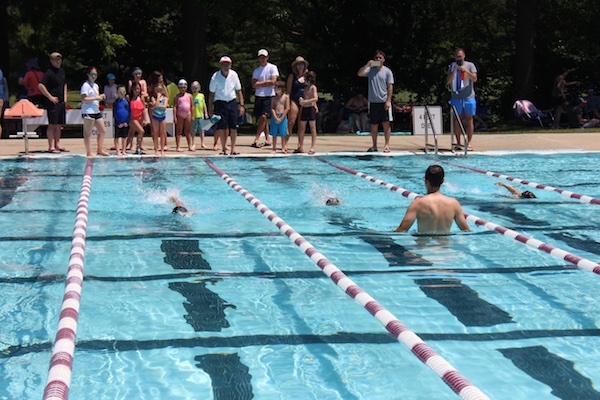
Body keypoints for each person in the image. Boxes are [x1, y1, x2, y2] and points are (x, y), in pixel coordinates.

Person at [394, 165, 470, 234]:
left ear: (425, 180)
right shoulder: (454, 203)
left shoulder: (418, 204)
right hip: (445, 248)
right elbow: (466, 230)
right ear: (443, 181)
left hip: (423, 248)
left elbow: (401, 230)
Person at [358, 50, 395, 153]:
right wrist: (367, 65)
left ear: (383, 60)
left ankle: (387, 145)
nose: (378, 60)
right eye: (376, 58)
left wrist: (388, 100)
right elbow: (360, 74)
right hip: (373, 102)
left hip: (384, 101)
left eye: (380, 58)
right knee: (373, 124)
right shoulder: (370, 70)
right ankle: (374, 145)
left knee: (386, 123)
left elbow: (390, 86)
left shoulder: (387, 71)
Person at [208, 55, 244, 156]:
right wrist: (210, 108)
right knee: (222, 127)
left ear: (230, 65)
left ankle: (233, 149)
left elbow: (239, 91)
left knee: (233, 127)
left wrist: (241, 105)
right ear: (220, 65)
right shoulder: (215, 76)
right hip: (220, 103)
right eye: (223, 64)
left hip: (232, 102)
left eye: (227, 64)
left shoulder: (234, 75)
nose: (225, 66)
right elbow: (211, 93)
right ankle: (224, 148)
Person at [447, 47, 478, 151]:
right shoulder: (452, 66)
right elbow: (448, 81)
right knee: (456, 119)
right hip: (456, 96)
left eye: (460, 56)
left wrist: (467, 72)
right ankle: (458, 142)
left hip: (468, 96)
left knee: (469, 119)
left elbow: (474, 78)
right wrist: (454, 70)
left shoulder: (470, 65)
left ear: (464, 56)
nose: (458, 58)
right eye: (457, 56)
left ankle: (469, 142)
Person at [38, 52, 68, 153]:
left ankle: (57, 144)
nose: (58, 61)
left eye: (59, 59)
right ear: (51, 61)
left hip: (61, 101)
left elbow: (64, 84)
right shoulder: (49, 72)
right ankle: (51, 146)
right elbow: (41, 86)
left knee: (59, 124)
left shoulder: (62, 71)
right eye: (56, 59)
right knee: (52, 124)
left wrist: (65, 97)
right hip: (53, 102)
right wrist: (50, 97)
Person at [251, 49, 279, 148]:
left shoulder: (272, 67)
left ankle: (257, 138)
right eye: (261, 57)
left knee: (264, 116)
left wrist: (260, 84)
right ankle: (267, 138)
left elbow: (273, 81)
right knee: (263, 118)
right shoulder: (257, 70)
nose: (262, 59)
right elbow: (254, 84)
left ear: (267, 57)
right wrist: (265, 83)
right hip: (259, 95)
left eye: (264, 57)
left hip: (269, 95)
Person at [80, 66, 109, 157]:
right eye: (92, 74)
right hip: (88, 111)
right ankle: (89, 152)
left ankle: (99, 149)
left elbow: (95, 97)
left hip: (96, 111)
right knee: (88, 133)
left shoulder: (95, 85)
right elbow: (83, 99)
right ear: (88, 75)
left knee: (102, 130)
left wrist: (101, 96)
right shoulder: (85, 85)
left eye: (95, 74)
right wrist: (97, 98)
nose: (94, 76)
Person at [284, 56, 309, 153]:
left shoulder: (307, 76)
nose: (300, 66)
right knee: (291, 122)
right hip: (294, 99)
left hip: (304, 100)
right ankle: (285, 142)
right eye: (298, 64)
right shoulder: (292, 76)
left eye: (302, 64)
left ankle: (300, 144)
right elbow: (288, 91)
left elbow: (311, 89)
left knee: (301, 123)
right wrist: (288, 103)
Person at [295, 71, 318, 154]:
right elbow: (301, 95)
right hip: (304, 108)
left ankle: (312, 147)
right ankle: (300, 145)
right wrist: (301, 99)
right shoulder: (304, 88)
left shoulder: (313, 87)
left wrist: (306, 101)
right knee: (302, 128)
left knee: (312, 128)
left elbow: (315, 98)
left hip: (310, 108)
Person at [269, 81, 290, 154]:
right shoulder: (274, 98)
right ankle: (274, 148)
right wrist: (275, 117)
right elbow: (272, 108)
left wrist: (281, 118)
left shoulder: (286, 97)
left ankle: (283, 148)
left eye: (276, 87)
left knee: (283, 133)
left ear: (281, 88)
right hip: (275, 116)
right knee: (274, 134)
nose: (274, 89)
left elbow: (287, 108)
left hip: (283, 117)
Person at [173, 79, 194, 151]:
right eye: (181, 87)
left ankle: (189, 146)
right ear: (179, 88)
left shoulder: (189, 96)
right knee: (179, 131)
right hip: (180, 114)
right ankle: (178, 146)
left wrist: (193, 116)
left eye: (184, 87)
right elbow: (175, 107)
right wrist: (175, 116)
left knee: (187, 131)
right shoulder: (177, 97)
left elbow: (192, 106)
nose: (183, 89)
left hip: (188, 114)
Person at [126, 81, 146, 154]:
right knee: (141, 131)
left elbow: (143, 109)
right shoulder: (129, 98)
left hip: (139, 118)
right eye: (135, 89)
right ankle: (138, 148)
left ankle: (124, 147)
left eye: (138, 89)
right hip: (132, 119)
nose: (137, 91)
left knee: (131, 133)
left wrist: (144, 119)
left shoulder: (141, 98)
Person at [190, 80, 209, 150]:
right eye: (193, 87)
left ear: (199, 88)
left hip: (201, 115)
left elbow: (204, 105)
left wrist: (206, 113)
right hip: (194, 116)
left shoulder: (201, 96)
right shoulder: (191, 96)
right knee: (193, 130)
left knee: (202, 130)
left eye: (196, 87)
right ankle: (193, 143)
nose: (194, 89)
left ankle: (202, 143)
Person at [150, 84, 168, 156]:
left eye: (161, 91)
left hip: (162, 116)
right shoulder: (153, 98)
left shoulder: (165, 98)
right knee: (156, 133)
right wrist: (158, 97)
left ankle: (162, 149)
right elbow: (156, 104)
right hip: (155, 117)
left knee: (162, 133)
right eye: (158, 91)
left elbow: (164, 107)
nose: (159, 92)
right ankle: (156, 150)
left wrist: (157, 106)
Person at [113, 85, 130, 156]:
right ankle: (117, 150)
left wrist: (127, 122)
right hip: (118, 123)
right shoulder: (116, 102)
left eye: (124, 91)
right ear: (117, 92)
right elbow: (115, 113)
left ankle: (123, 150)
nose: (122, 93)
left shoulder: (127, 102)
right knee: (117, 137)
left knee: (124, 137)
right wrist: (118, 122)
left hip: (125, 122)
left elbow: (129, 112)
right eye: (120, 92)